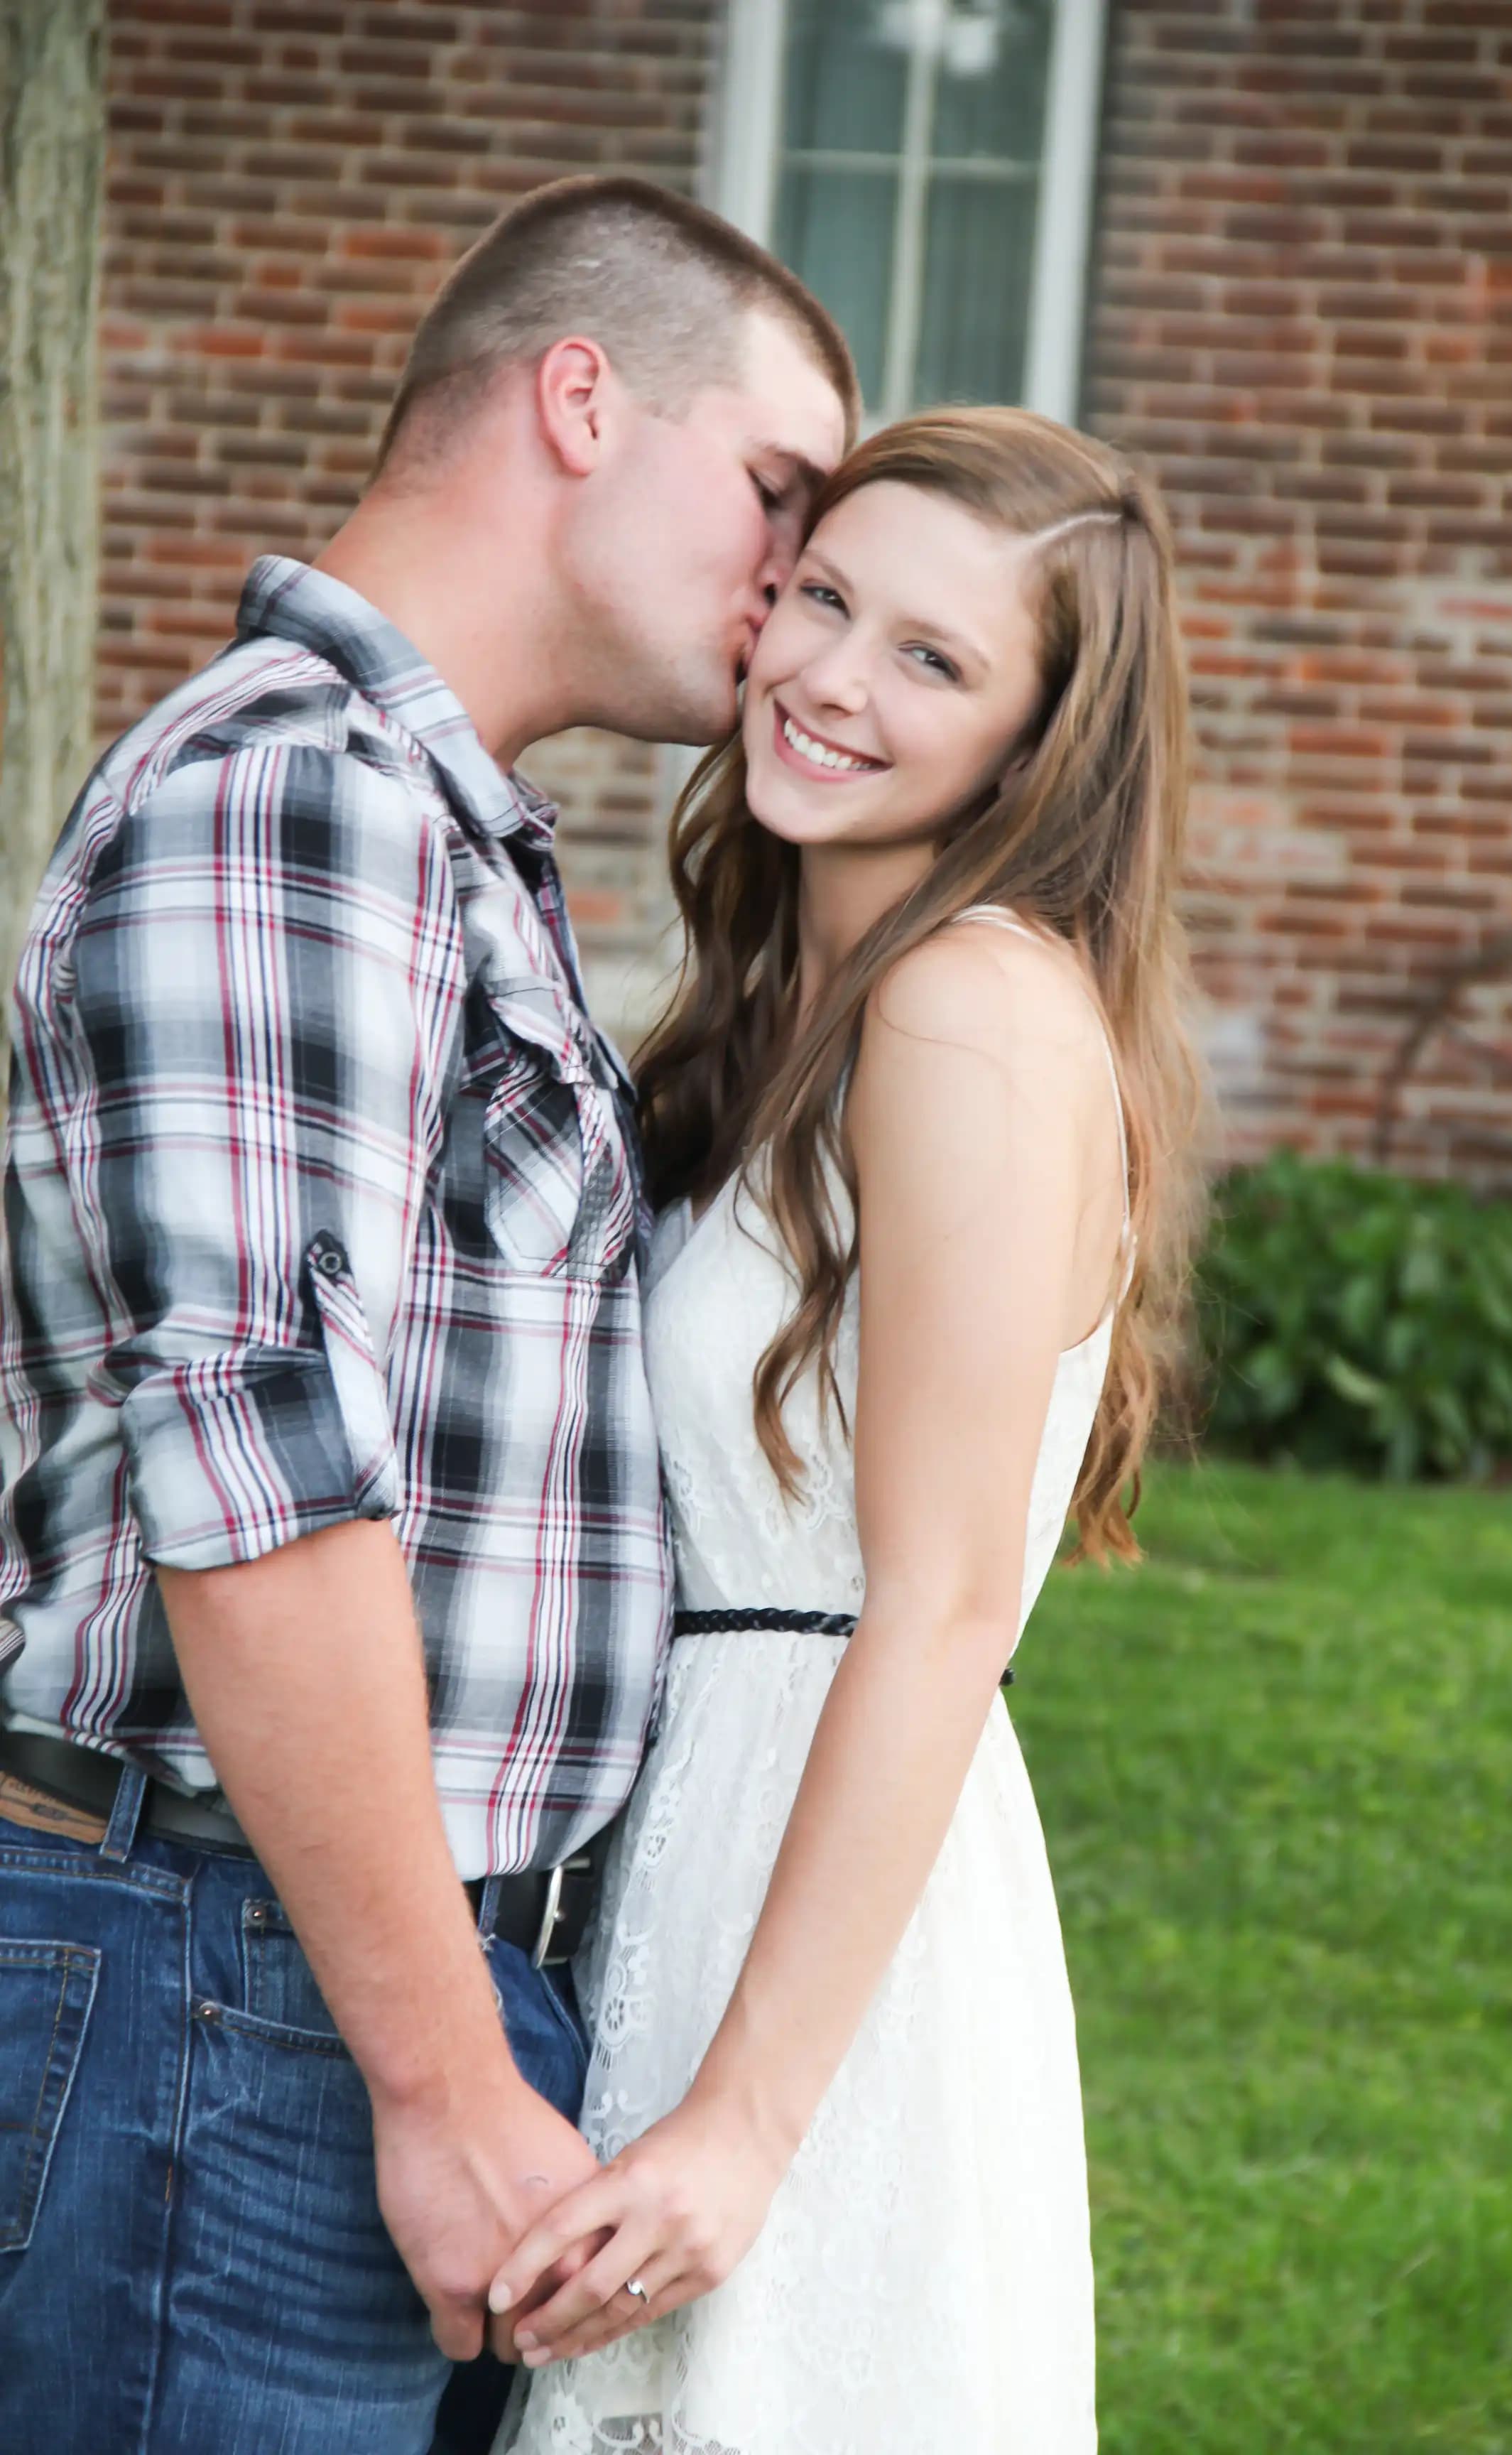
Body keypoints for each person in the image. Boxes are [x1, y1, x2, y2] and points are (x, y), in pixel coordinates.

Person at [0, 174, 852, 2455]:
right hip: (233, 1977)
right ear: (582, 397)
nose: (797, 579)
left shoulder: (434, 824)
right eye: (777, 487)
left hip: (305, 1973)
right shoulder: (297, 799)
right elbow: (262, 1480)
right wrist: (438, 2072)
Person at [491, 407, 1205, 2454]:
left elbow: (949, 1601)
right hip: (697, 1834)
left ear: (1037, 747)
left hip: (816, 1916)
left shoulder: (967, 1004)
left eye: (932, 659)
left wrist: (741, 2120)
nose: (825, 676)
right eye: (824, 598)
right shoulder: (796, 1000)